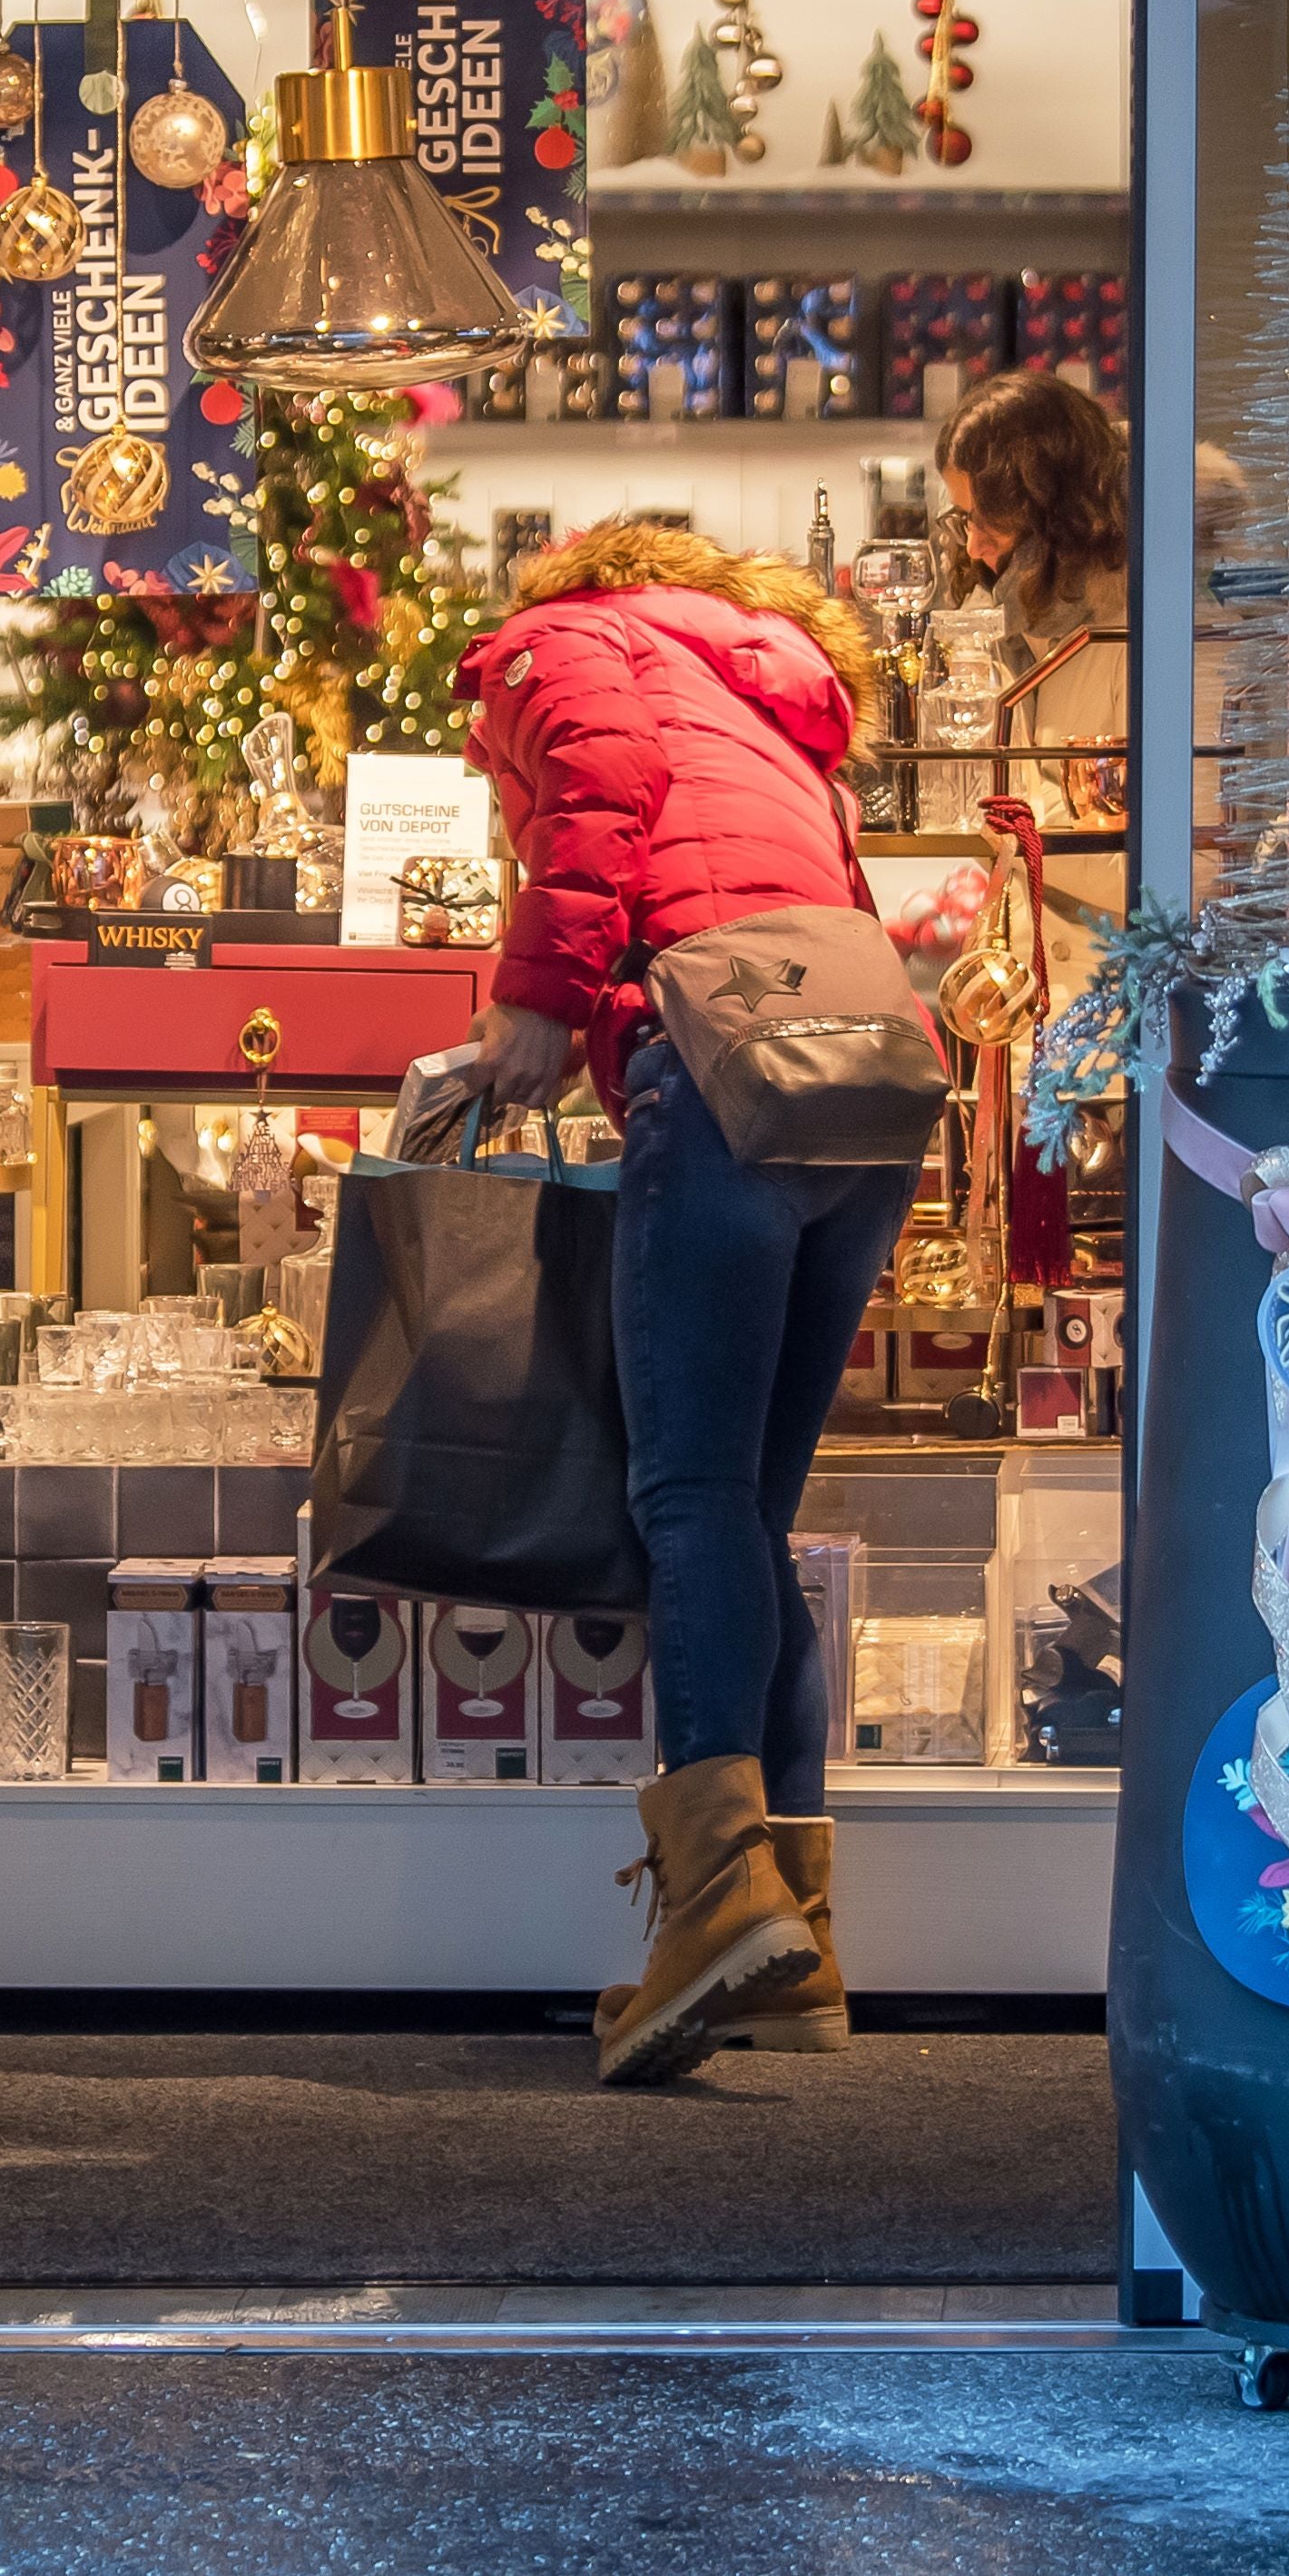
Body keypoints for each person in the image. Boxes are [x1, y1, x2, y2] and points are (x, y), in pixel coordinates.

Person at [458, 522, 917, 2088]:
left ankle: (716, 1901)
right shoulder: (765, 684)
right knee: (747, 1511)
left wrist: (530, 1001)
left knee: (689, 1496)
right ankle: (794, 1933)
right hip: (864, 1075)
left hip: (719, 1066)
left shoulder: (564, 647)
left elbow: (592, 798)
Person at [936, 371, 1134, 813]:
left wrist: (1012, 848)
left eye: (993, 522)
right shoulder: (1018, 618)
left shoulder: (1145, 626)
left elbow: (1189, 862)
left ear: (1061, 516)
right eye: (966, 518)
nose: (972, 546)